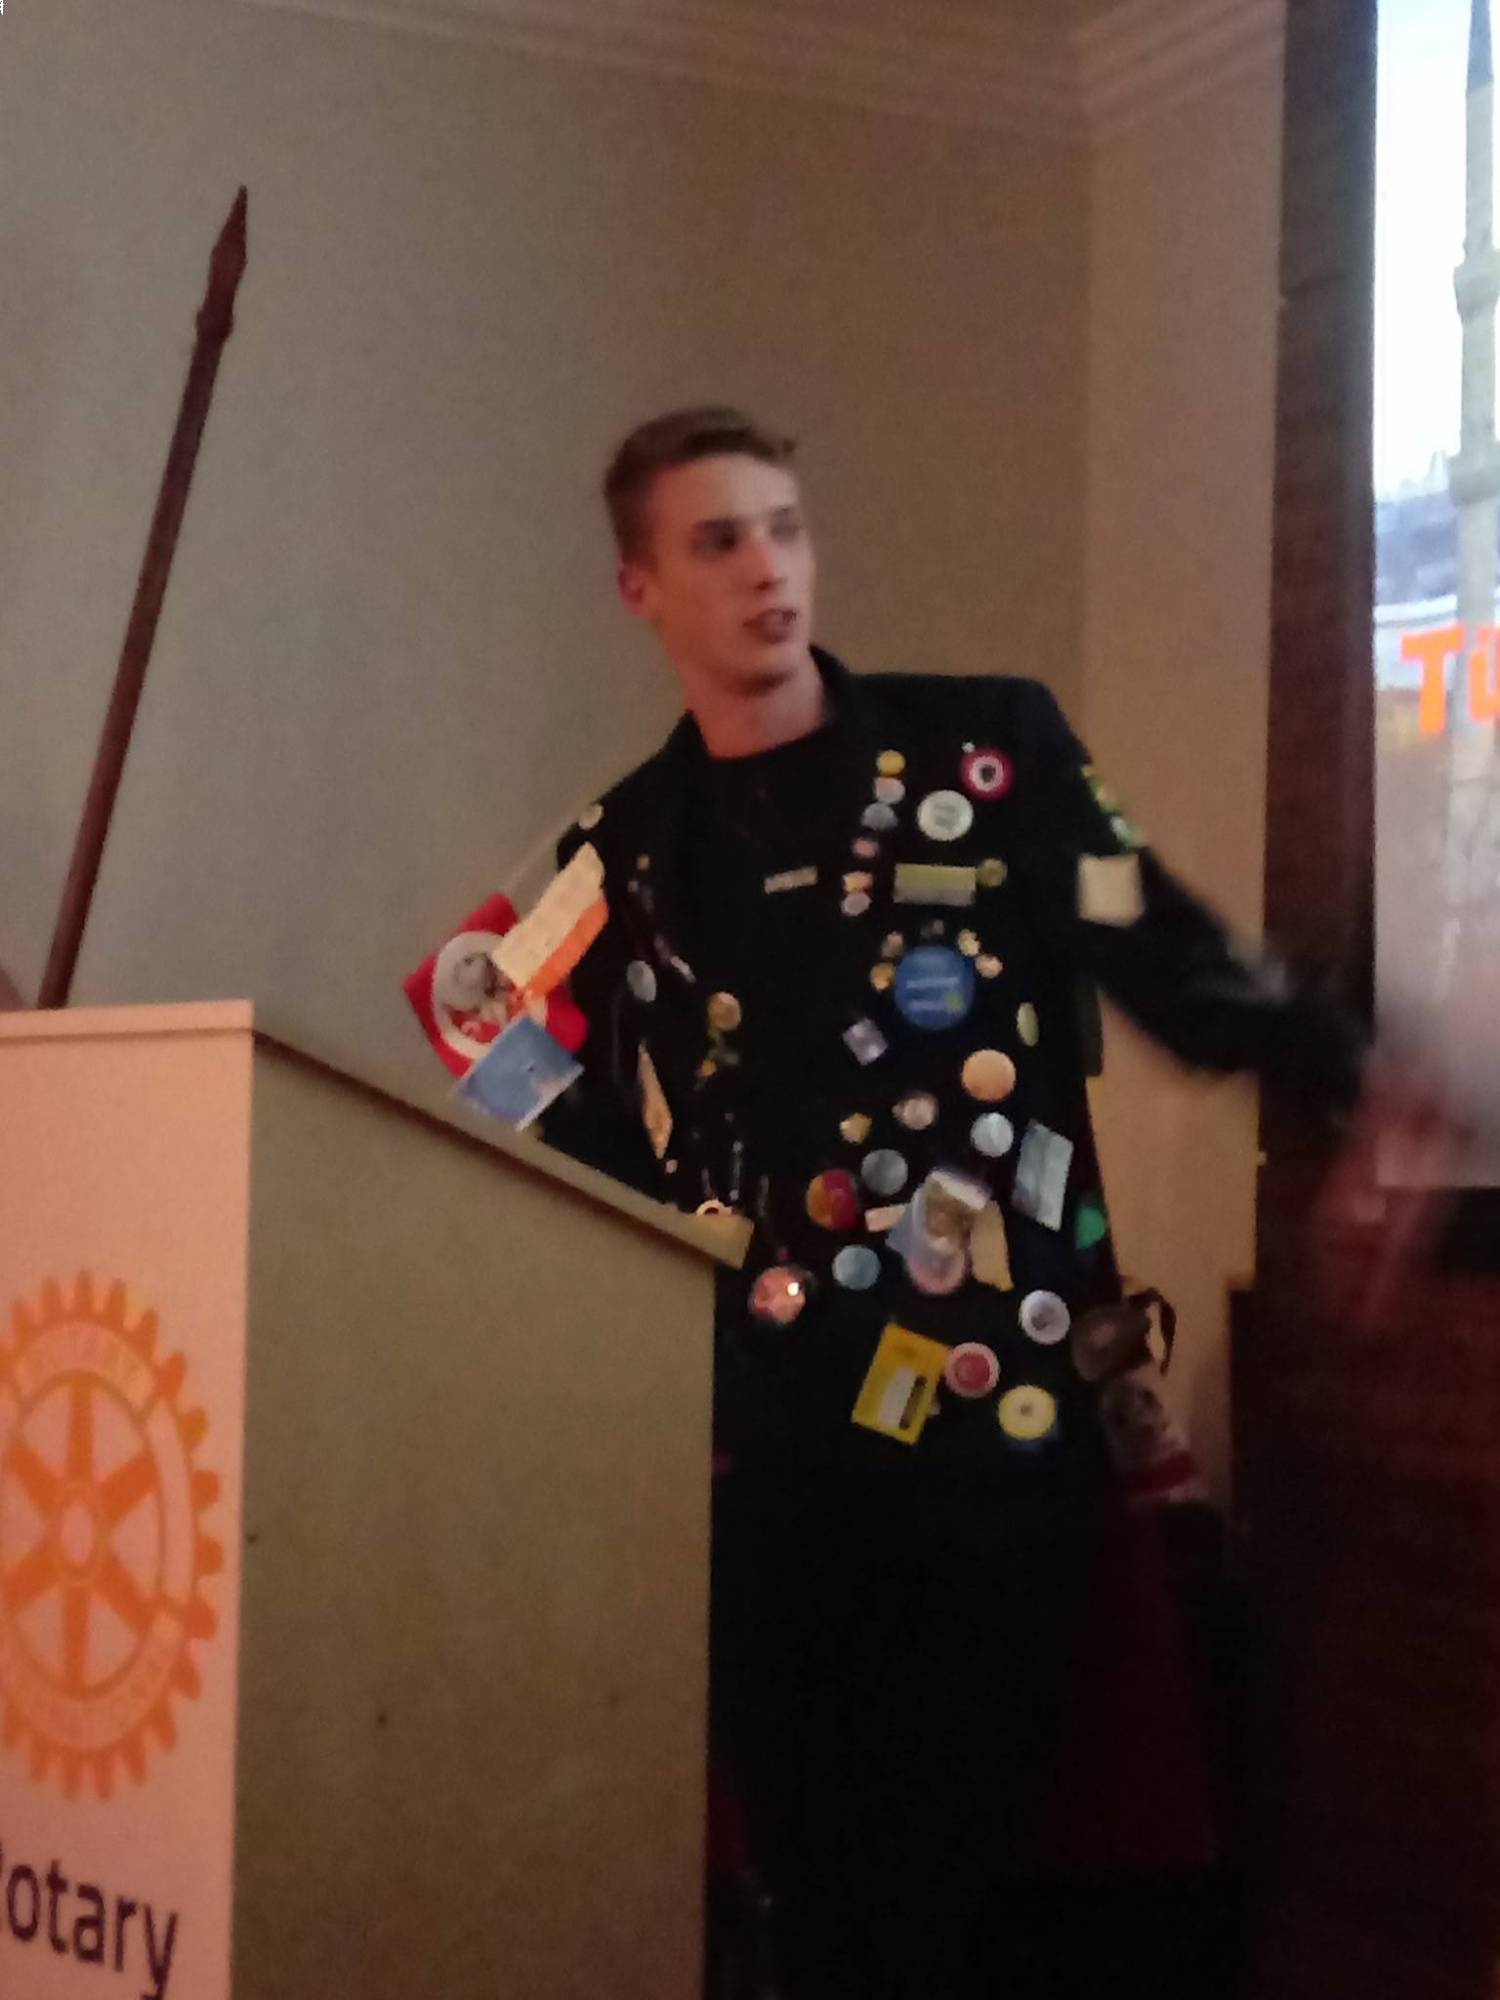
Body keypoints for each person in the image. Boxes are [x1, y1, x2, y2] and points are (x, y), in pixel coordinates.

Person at [537, 407, 1369, 1999]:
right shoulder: (625, 851)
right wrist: (653, 1285)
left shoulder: (989, 759)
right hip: (761, 1449)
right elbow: (529, 1070)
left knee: (954, 1890)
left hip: (992, 1428)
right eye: (719, 541)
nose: (769, 568)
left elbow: (1158, 944)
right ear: (641, 590)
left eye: (786, 527)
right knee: (817, 1892)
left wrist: (1354, 1069)